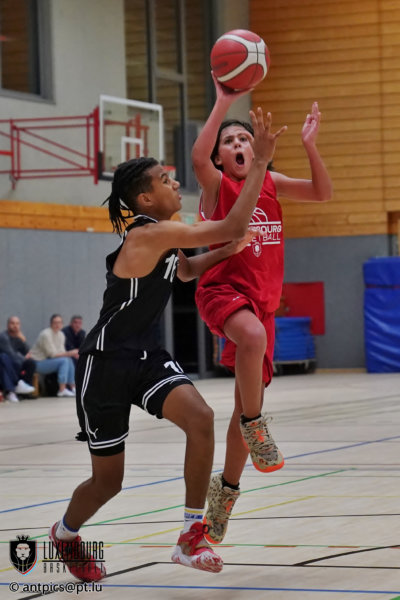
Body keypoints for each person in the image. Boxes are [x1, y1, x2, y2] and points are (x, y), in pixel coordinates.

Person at [48, 106, 286, 582]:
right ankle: (65, 533)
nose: (176, 183)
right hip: (106, 363)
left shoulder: (164, 240)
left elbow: (188, 269)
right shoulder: (148, 234)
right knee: (107, 482)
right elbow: (233, 225)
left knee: (201, 418)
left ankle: (190, 536)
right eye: (164, 180)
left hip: (147, 357)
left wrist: (224, 252)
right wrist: (260, 162)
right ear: (145, 198)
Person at [192, 73, 333, 545]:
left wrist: (310, 145)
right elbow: (197, 157)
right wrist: (223, 102)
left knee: (240, 405)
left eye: (244, 138)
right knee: (251, 339)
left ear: (257, 148)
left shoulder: (270, 180)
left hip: (263, 304)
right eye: (229, 141)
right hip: (223, 292)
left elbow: (322, 193)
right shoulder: (216, 186)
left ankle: (224, 496)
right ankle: (257, 426)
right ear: (220, 157)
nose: (237, 144)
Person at [30, 315, 77, 397]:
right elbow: (52, 354)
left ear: (62, 324)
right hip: (37, 362)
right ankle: (62, 390)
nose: (57, 325)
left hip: (48, 361)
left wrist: (70, 354)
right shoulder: (45, 334)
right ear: (51, 324)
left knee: (68, 359)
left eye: (59, 322)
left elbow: (62, 352)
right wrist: (70, 353)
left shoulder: (61, 334)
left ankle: (73, 388)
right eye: (55, 322)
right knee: (65, 360)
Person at [2, 316, 37, 388]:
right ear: (8, 325)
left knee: (31, 363)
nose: (15, 326)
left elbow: (28, 351)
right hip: (6, 363)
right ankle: (17, 386)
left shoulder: (18, 337)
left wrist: (23, 340)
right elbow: (11, 354)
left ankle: (26, 388)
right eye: (12, 323)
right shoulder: (4, 337)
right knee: (12, 360)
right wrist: (24, 358)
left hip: (17, 362)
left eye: (17, 324)